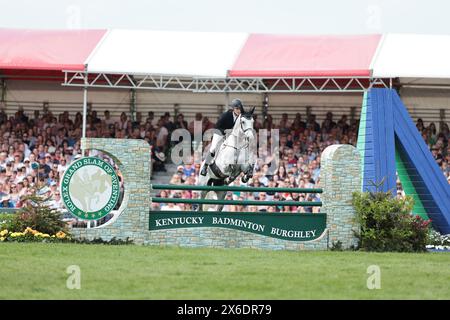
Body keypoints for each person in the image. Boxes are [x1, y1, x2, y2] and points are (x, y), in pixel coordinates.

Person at [200, 98, 243, 176]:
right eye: (237, 109)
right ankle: (205, 166)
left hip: (231, 135)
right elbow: (217, 127)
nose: (239, 110)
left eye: (240, 109)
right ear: (233, 109)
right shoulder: (226, 115)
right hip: (219, 132)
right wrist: (226, 131)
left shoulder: (241, 117)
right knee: (213, 148)